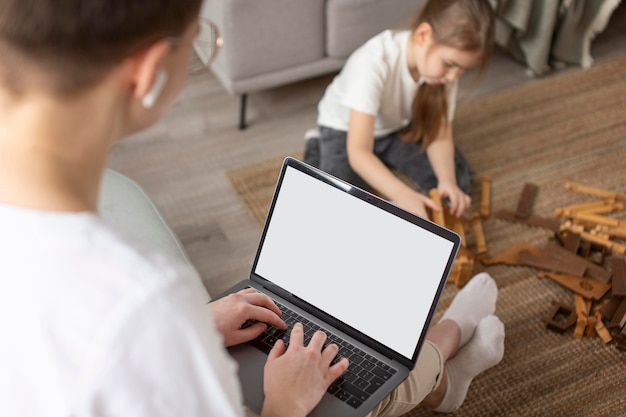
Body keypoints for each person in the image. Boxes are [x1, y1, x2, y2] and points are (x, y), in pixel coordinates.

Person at [0, 1, 504, 416]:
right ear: (150, 74)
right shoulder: (148, 307)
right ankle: (448, 353)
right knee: (362, 385)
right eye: (203, 40)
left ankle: (444, 366)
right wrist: (284, 405)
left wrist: (200, 323)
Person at [304, 0, 495, 220]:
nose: (454, 76)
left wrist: (447, 181)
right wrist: (402, 194)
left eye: (462, 69)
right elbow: (358, 151)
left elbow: (439, 135)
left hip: (393, 128)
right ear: (424, 35)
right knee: (337, 201)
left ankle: (380, 164)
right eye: (450, 64)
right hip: (345, 132)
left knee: (458, 184)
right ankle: (316, 145)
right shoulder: (373, 63)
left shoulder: (442, 74)